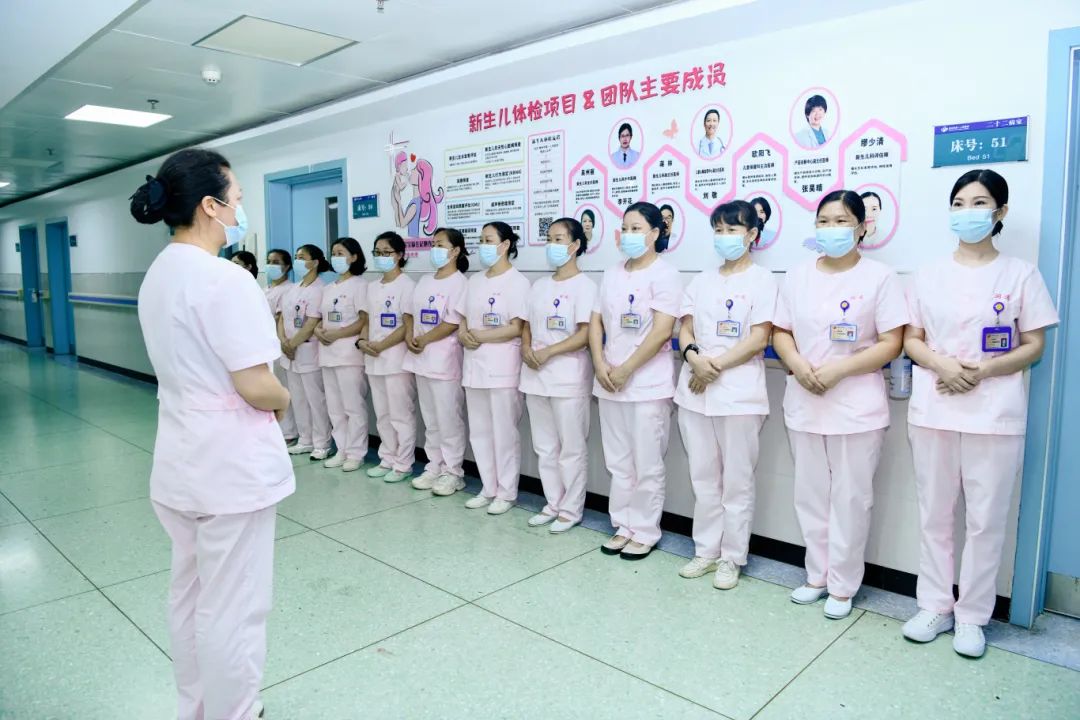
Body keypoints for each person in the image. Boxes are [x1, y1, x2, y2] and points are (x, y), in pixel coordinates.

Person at [130, 148, 292, 720]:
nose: (241, 210)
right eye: (238, 199)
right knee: (235, 606)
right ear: (210, 205)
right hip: (230, 471)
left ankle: (196, 707)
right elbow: (257, 385)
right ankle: (235, 712)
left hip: (180, 459)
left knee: (190, 592)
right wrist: (285, 398)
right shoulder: (224, 279)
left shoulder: (161, 272)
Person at [901, 169, 1058, 658]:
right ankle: (934, 606)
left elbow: (1033, 344)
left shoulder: (1020, 274)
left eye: (979, 203)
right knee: (935, 514)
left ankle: (972, 617)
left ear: (1000, 212)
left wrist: (984, 370)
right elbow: (911, 339)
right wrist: (942, 366)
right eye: (959, 203)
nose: (967, 212)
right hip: (935, 406)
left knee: (986, 519)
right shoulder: (928, 273)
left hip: (994, 412)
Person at [772, 190, 908, 620]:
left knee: (851, 498)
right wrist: (798, 365)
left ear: (862, 227)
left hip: (855, 405)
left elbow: (892, 342)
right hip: (805, 398)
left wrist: (838, 371)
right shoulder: (797, 275)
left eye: (841, 221)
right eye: (824, 221)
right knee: (810, 494)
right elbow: (780, 332)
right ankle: (816, 576)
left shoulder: (881, 277)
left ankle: (843, 585)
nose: (830, 229)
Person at [676, 200, 777, 589]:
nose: (724, 236)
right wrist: (693, 358)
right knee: (702, 477)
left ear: (751, 234)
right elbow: (685, 328)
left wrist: (711, 366)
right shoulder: (701, 280)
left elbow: (759, 338)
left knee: (737, 481)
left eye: (732, 229)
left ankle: (732, 557)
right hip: (695, 390)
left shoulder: (763, 280)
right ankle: (705, 550)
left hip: (737, 394)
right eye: (718, 229)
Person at [590, 201, 682, 559]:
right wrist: (600, 363)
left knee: (646, 462)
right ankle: (623, 525)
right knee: (618, 461)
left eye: (636, 229)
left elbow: (662, 331)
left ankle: (644, 530)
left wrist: (626, 368)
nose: (628, 235)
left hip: (646, 384)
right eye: (625, 228)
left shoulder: (665, 274)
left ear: (655, 233)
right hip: (609, 380)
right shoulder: (611, 273)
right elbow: (596, 321)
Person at [520, 217, 598, 533]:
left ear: (576, 245)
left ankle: (571, 509)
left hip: (567, 377)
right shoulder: (539, 285)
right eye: (549, 238)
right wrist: (527, 348)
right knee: (545, 447)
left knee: (571, 448)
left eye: (559, 239)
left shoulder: (586, 286)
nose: (552, 244)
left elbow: (585, 334)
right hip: (535, 375)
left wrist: (549, 352)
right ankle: (552, 503)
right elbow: (526, 325)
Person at [457, 221, 531, 514]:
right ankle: (488, 488)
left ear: (505, 245)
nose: (483, 245)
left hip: (502, 368)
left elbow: (516, 327)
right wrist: (464, 334)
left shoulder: (518, 282)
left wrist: (480, 336)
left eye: (489, 240)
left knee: (504, 433)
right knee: (480, 432)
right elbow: (462, 317)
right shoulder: (474, 280)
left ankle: (506, 492)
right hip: (474, 366)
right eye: (481, 239)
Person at [403, 227, 469, 496]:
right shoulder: (424, 280)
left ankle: (453, 472)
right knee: (431, 419)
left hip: (444, 361)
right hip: (420, 358)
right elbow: (409, 313)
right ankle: (434, 466)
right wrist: (410, 336)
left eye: (440, 244)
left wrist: (425, 339)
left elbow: (452, 322)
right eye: (433, 244)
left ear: (455, 251)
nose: (434, 249)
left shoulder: (460, 282)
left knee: (448, 419)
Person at [359, 231, 417, 484]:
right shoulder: (372, 287)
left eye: (387, 252)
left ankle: (403, 463)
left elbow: (406, 325)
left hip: (396, 359)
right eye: (377, 252)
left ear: (400, 255)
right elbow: (366, 320)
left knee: (400, 415)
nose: (381, 257)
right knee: (382, 414)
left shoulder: (408, 285)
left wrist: (382, 345)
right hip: (373, 358)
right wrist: (363, 342)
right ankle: (387, 458)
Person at [314, 237, 369, 472]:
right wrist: (318, 330)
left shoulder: (360, 285)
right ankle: (342, 449)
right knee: (335, 407)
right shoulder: (328, 288)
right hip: (327, 353)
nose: (335, 257)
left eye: (341, 253)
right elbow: (321, 319)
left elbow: (363, 320)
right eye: (333, 253)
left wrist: (338, 334)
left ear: (354, 257)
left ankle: (356, 453)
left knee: (353, 406)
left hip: (349, 355)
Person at [279, 244, 333, 460]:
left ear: (315, 262)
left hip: (308, 350)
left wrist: (292, 344)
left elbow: (312, 322)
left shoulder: (320, 289)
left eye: (302, 257)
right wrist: (284, 342)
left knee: (315, 399)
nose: (298, 261)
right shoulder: (293, 288)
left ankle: (322, 443)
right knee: (298, 398)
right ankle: (305, 439)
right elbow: (282, 318)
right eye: (296, 256)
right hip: (290, 351)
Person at [265, 249, 298, 446]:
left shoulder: (289, 289)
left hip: (280, 345)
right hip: (266, 346)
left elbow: (280, 319)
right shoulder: (266, 289)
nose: (271, 265)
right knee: (271, 389)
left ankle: (289, 432)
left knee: (284, 389)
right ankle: (277, 430)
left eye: (276, 262)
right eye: (269, 261)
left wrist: (282, 341)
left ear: (287, 266)